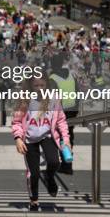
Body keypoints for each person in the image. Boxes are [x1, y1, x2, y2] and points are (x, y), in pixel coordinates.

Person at [12, 73, 71, 211]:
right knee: (33, 173)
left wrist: (66, 139)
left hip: (47, 136)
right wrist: (18, 138)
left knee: (54, 162)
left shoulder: (53, 99)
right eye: (36, 86)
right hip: (29, 139)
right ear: (31, 86)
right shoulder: (25, 100)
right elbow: (16, 122)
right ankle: (34, 199)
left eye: (42, 85)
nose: (39, 88)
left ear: (47, 85)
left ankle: (50, 177)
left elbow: (61, 121)